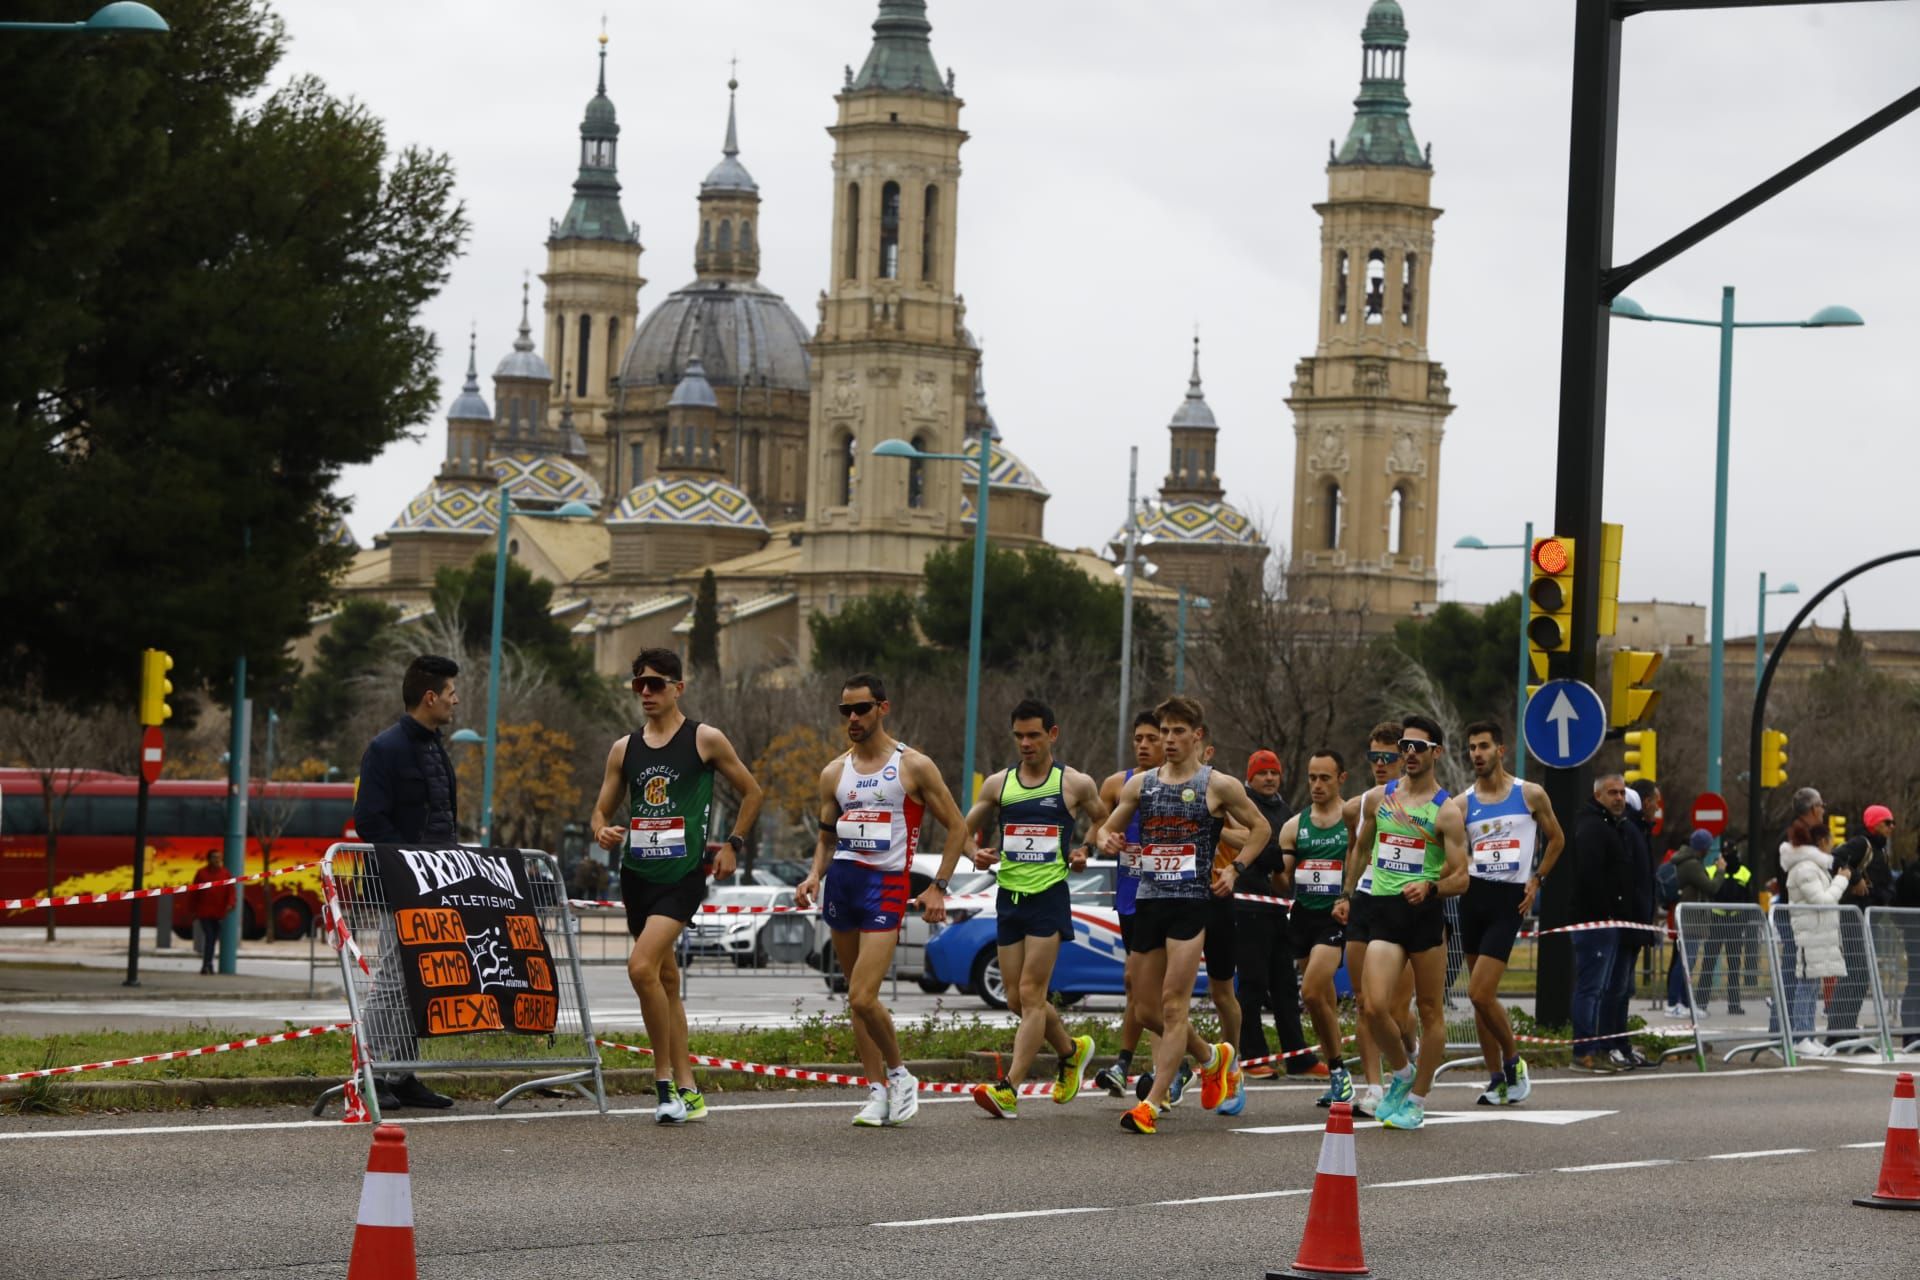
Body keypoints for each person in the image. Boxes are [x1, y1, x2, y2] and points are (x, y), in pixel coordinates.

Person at [589, 648, 764, 1125]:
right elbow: (601, 810)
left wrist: (732, 844)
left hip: (683, 876)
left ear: (678, 688)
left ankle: (662, 1081)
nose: (646, 692)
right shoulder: (624, 748)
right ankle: (690, 1091)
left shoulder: (704, 739)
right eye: (638, 684)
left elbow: (752, 791)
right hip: (638, 876)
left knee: (640, 968)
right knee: (666, 981)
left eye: (656, 684)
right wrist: (601, 828)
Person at [1095, 695, 1270, 1135]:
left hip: (1192, 905)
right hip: (1149, 902)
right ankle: (1212, 1058)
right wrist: (1105, 840)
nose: (1168, 740)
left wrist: (1235, 868)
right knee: (1146, 1006)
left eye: (1176, 732)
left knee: (1174, 1006)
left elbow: (1261, 829)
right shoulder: (1141, 785)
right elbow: (1106, 828)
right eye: (1164, 732)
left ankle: (1152, 1104)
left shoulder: (1219, 785)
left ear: (1198, 736)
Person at [800, 673, 968, 1127]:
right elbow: (826, 836)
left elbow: (958, 827)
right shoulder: (834, 772)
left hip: (886, 886)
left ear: (882, 708)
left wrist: (939, 885)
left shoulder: (913, 766)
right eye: (845, 711)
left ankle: (900, 1075)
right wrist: (815, 874)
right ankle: (876, 1091)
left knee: (862, 994)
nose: (852, 718)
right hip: (842, 885)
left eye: (861, 709)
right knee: (854, 1000)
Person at [961, 699, 1107, 1118]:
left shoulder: (1074, 783)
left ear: (1052, 735)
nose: (1025, 743)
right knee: (1014, 1000)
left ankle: (1009, 1088)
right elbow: (962, 829)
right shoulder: (998, 784)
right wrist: (975, 853)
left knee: (1031, 993)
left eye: (1034, 735)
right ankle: (1071, 1050)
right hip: (1009, 896)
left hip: (1049, 896)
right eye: (1019, 736)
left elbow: (1105, 818)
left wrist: (1085, 848)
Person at [351, 653, 464, 1111]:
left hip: (437, 879)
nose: (457, 702)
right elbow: (369, 819)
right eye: (452, 693)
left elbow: (441, 815)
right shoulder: (385, 749)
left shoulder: (436, 747)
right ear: (430, 696)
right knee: (394, 978)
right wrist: (407, 864)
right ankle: (369, 1074)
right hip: (404, 881)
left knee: (418, 977)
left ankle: (401, 1075)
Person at [1348, 715, 1469, 1130]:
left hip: (1423, 917)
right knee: (1374, 1005)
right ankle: (1400, 1073)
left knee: (1432, 1011)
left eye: (1419, 747)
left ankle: (1417, 1098)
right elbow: (1361, 848)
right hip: (1383, 910)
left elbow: (1462, 877)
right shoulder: (1380, 799)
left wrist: (1430, 887)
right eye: (1405, 746)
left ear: (1436, 752)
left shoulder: (1446, 811)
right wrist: (1348, 895)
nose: (1410, 753)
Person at [1455, 721, 1564, 1106]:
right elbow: (1448, 847)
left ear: (1500, 750)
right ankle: (1496, 1079)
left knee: (1480, 992)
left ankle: (1515, 1061)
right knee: (1479, 1000)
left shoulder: (1530, 794)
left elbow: (1557, 839)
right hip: (1473, 897)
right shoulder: (1462, 804)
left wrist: (1537, 880)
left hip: (1509, 900)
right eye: (1471, 748)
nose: (1477, 754)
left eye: (1483, 746)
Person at [1342, 721, 1418, 1117]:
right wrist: (1346, 893)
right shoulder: (1359, 805)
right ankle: (1373, 1086)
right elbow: (1355, 852)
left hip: (1402, 904)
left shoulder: (1419, 803)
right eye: (1374, 757)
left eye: (1389, 757)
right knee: (1364, 1003)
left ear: (1404, 758)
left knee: (1394, 1008)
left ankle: (1409, 1054)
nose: (1381, 765)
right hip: (1366, 901)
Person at [1236, 749, 1323, 1083]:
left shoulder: (1285, 810)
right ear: (1250, 777)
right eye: (1262, 773)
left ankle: (1298, 1057)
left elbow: (1285, 854)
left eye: (1274, 772)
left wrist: (1277, 856)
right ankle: (1252, 1057)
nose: (1269, 778)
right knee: (1253, 985)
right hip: (1247, 908)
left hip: (1278, 909)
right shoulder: (1243, 804)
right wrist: (1275, 854)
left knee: (1286, 987)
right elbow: (1262, 850)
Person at [1092, 712, 1167, 1098]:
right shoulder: (1117, 784)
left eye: (1152, 738)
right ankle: (1133, 1066)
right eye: (1139, 737)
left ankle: (1161, 1072)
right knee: (1136, 985)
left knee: (1151, 987)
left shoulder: (1178, 785)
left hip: (1170, 897)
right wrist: (1100, 841)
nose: (1143, 745)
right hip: (1130, 896)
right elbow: (1097, 829)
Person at [1279, 749, 1356, 1107]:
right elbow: (1283, 881)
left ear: (1341, 778)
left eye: (1325, 777)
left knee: (1310, 992)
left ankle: (1339, 1069)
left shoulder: (1352, 819)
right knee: (1320, 1001)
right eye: (1312, 777)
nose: (1317, 785)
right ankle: (1338, 1074)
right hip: (1303, 917)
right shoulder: (1295, 825)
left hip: (1335, 916)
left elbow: (1363, 860)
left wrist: (1349, 896)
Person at [1567, 773, 1635, 1072]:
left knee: (1604, 988)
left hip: (1608, 921)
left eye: (1621, 792)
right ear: (1598, 796)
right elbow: (1589, 875)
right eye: (1612, 793)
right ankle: (1583, 1052)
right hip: (1594, 922)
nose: (1619, 798)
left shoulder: (1610, 825)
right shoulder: (1592, 828)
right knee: (1590, 989)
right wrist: (1605, 912)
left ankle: (1599, 1047)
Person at [1778, 816, 1852, 1058]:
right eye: (1830, 840)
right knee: (1805, 986)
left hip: (1817, 934)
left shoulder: (1812, 866)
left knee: (1812, 986)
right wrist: (1842, 880)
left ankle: (1808, 1036)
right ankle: (1801, 1037)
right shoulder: (1805, 868)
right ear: (1821, 842)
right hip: (1809, 935)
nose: (1832, 844)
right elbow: (1822, 900)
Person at [1826, 805, 1894, 1048]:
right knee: (1856, 972)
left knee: (1861, 974)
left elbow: (1883, 884)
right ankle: (1837, 1030)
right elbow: (1834, 857)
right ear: (1874, 823)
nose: (1891, 827)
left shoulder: (1880, 850)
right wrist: (1854, 879)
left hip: (1868, 918)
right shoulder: (1861, 843)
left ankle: (1845, 1028)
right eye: (1887, 822)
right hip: (1854, 916)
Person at [1698, 839, 1756, 1015]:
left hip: (1735, 923)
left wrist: (1743, 922)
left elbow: (1749, 898)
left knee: (1733, 966)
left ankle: (1734, 1005)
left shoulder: (1745, 873)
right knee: (1708, 963)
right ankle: (1701, 1003)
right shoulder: (1712, 870)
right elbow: (1707, 892)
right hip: (1717, 922)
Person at [1663, 828, 1716, 1020]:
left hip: (1688, 920)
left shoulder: (1686, 860)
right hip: (1690, 921)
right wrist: (1720, 871)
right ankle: (1674, 1003)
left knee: (1685, 962)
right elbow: (1711, 887)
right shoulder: (1692, 865)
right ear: (1703, 848)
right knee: (1685, 963)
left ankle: (1684, 1002)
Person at [189, 850, 234, 975]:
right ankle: (207, 964)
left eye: (219, 857)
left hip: (219, 912)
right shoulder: (201, 874)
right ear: (209, 859)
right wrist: (192, 910)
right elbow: (194, 893)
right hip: (204, 912)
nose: (217, 860)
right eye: (214, 857)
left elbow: (231, 891)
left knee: (213, 939)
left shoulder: (225, 874)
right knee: (210, 937)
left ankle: (208, 964)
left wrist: (230, 904)